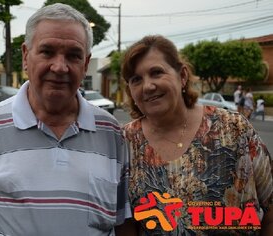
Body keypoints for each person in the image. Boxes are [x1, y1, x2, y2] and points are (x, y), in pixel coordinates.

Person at [0, 3, 130, 235]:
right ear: (26, 57)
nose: (59, 67)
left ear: (85, 64)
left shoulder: (111, 133)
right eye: (47, 52)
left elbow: (123, 224)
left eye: (73, 55)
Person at [116, 35, 273, 235]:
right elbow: (125, 225)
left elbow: (270, 213)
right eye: (136, 79)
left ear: (182, 76)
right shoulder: (124, 142)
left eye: (156, 73)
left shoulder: (233, 128)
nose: (147, 86)